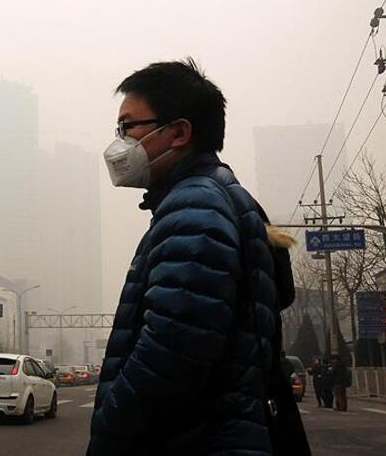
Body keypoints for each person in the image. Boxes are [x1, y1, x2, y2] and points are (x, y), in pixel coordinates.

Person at [88, 59, 309, 455]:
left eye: (127, 127)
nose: (118, 144)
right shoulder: (218, 197)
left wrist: (109, 431)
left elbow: (171, 355)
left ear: (178, 133)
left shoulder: (196, 208)